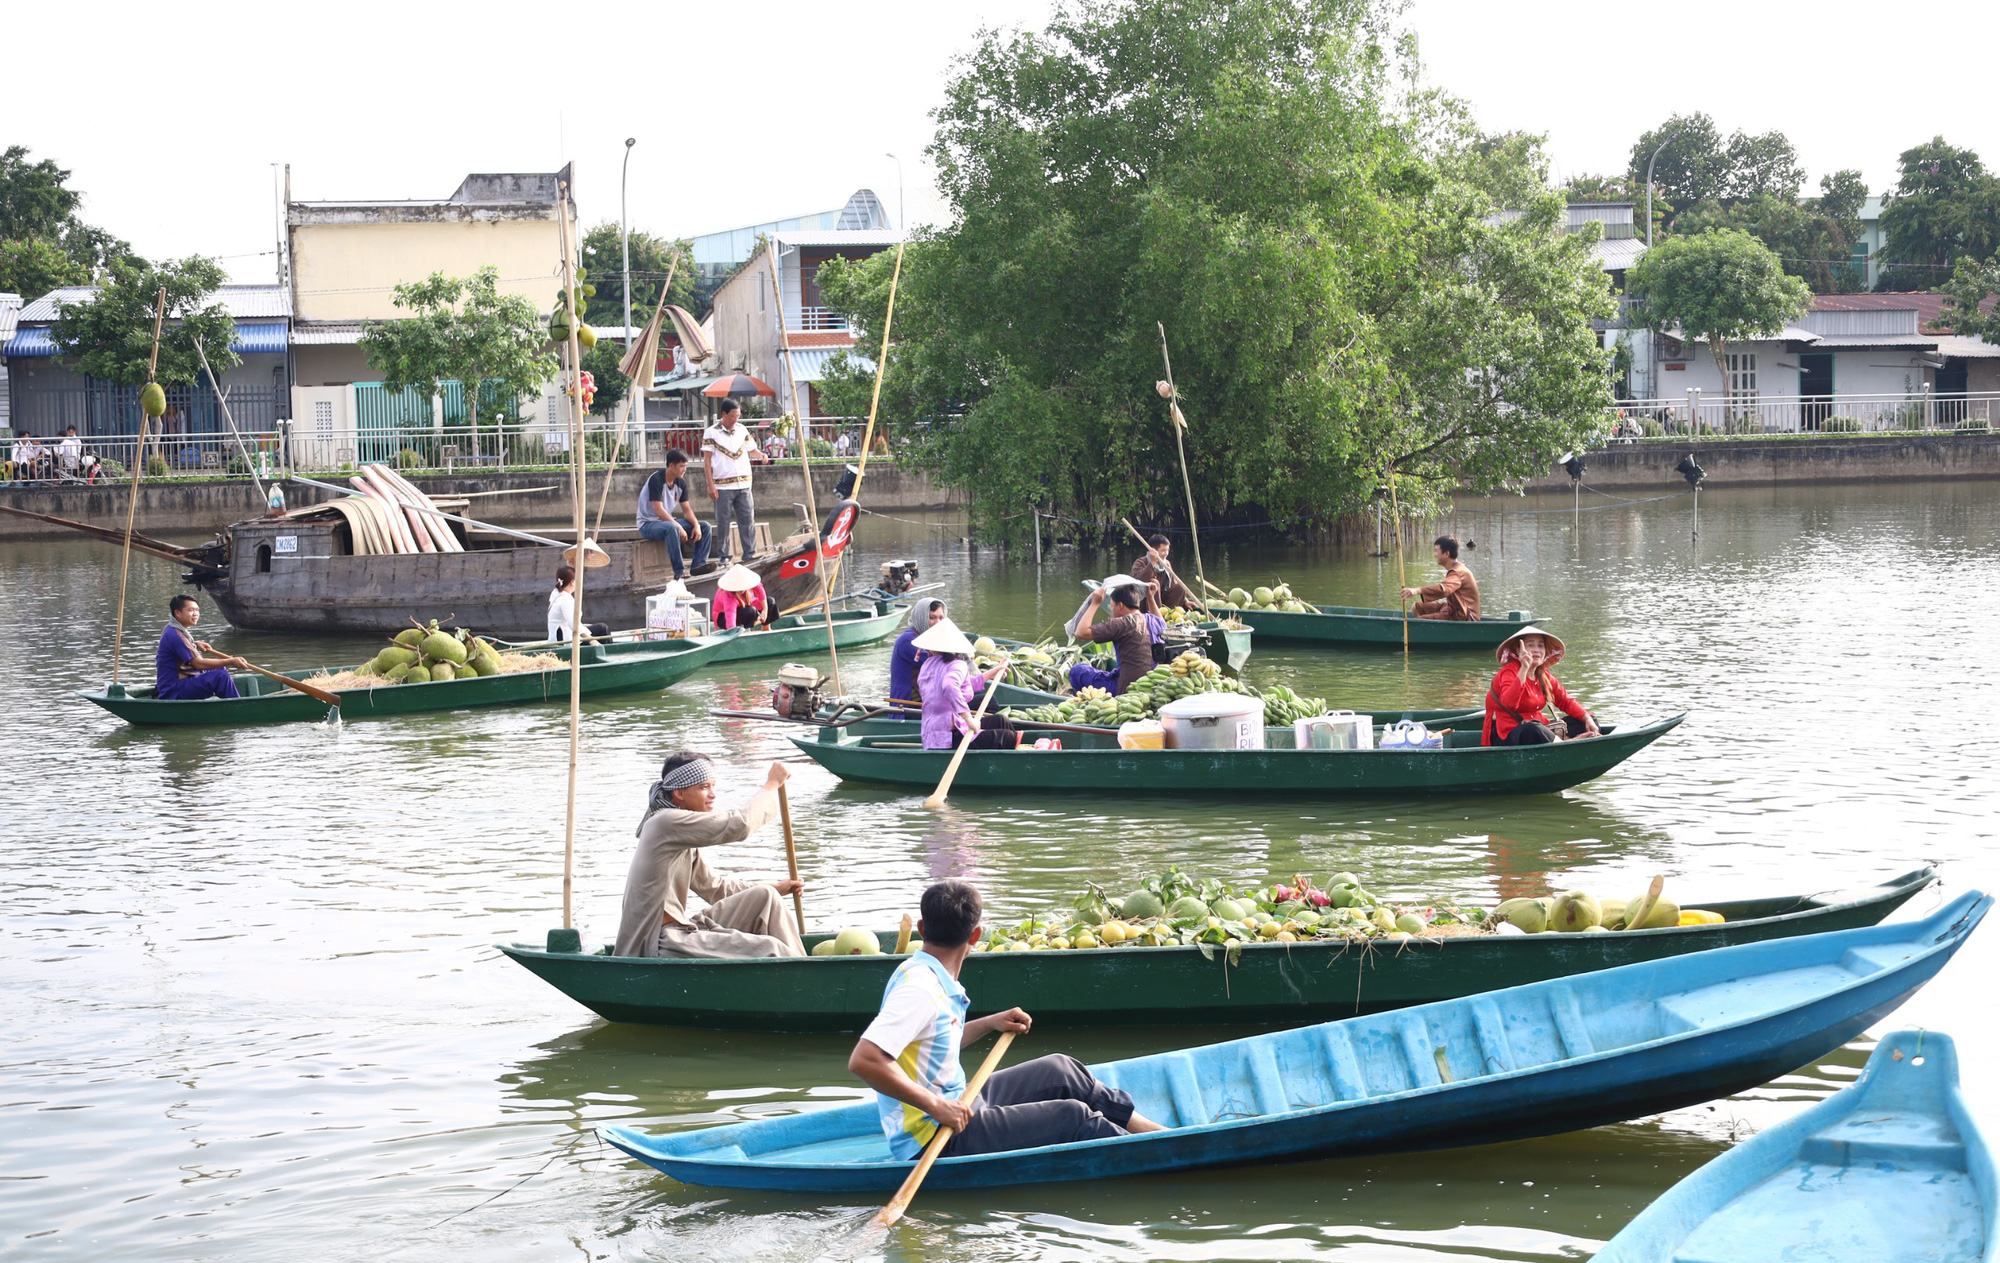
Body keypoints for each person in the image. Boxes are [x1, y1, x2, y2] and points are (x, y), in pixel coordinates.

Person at [849, 879, 1165, 1159]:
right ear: (976, 935)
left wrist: (990, 1023)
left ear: (922, 928)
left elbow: (930, 1042)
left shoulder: (927, 973)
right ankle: (1160, 1156)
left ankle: (1156, 1134)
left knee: (1061, 1070)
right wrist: (936, 1106)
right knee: (1073, 1117)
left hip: (957, 1103)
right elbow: (865, 1060)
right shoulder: (920, 990)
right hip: (935, 1135)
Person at [613, 753, 806, 959]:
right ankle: (802, 974)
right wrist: (772, 784)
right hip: (657, 944)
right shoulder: (665, 823)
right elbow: (740, 825)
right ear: (679, 793)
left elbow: (715, 887)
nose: (713, 795)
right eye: (704, 787)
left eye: (713, 786)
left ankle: (803, 968)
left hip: (680, 930)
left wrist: (776, 887)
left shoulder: (680, 835)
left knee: (766, 897)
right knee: (771, 949)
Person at [1482, 626, 1599, 746]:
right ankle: (1567, 743)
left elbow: (1566, 701)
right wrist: (1524, 669)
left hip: (1538, 727)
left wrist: (1587, 718)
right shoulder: (1509, 671)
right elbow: (1509, 703)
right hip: (1506, 734)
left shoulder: (1543, 674)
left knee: (1588, 720)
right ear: (1519, 650)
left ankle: (1563, 741)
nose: (1536, 650)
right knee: (1533, 728)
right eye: (1530, 645)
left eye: (1540, 645)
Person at [915, 619, 1018, 750]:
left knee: (1001, 721)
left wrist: (989, 674)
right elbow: (950, 685)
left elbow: (962, 684)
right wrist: (968, 718)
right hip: (948, 736)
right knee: (1007, 737)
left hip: (931, 733)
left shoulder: (927, 665)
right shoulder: (958, 665)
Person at [1068, 583, 1160, 696]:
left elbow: (1080, 632)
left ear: (1120, 605)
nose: (1111, 611)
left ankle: (1083, 699)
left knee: (1077, 671)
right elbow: (1161, 620)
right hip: (1152, 684)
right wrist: (1150, 598)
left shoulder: (1123, 623)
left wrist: (1095, 603)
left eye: (1111, 606)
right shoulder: (1155, 621)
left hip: (1125, 689)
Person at [155, 595, 247, 700]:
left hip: (178, 684)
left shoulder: (172, 628)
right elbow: (199, 664)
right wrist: (230, 661)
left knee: (220, 668)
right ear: (177, 613)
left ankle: (229, 702)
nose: (195, 614)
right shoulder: (176, 635)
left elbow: (181, 645)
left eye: (197, 610)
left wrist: (195, 644)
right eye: (191, 610)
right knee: (221, 676)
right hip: (174, 691)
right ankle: (237, 706)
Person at [637, 448, 710, 579]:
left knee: (705, 526)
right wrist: (679, 527)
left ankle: (698, 565)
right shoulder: (657, 480)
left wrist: (696, 525)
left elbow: (687, 510)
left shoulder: (680, 483)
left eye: (685, 466)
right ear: (671, 466)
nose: (684, 470)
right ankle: (679, 571)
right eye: (682, 466)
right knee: (672, 528)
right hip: (648, 524)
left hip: (666, 523)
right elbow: (658, 511)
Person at [703, 400, 760, 563]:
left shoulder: (742, 430)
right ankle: (724, 556)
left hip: (744, 484)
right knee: (723, 522)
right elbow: (707, 461)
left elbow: (752, 450)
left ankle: (749, 554)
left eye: (738, 416)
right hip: (722, 485)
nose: (736, 419)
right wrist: (710, 485)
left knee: (748, 520)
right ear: (724, 414)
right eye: (733, 416)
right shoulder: (711, 433)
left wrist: (761, 455)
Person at [1402, 535, 1480, 622]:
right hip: (1452, 609)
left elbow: (1443, 590)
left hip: (1464, 616)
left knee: (1418, 622)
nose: (1435, 555)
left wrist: (1417, 590)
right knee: (1417, 607)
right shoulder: (1456, 568)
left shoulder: (1457, 572)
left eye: (1436, 551)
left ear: (1447, 554)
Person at [889, 598, 947, 713]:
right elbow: (939, 662)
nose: (938, 623)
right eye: (932, 618)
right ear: (922, 618)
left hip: (928, 697)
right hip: (909, 705)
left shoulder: (931, 638)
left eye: (941, 618)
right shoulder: (908, 640)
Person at [1130, 534, 1198, 612]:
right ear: (1153, 551)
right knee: (1154, 583)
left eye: (1167, 550)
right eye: (1163, 550)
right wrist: (1152, 563)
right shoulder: (1140, 562)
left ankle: (1167, 614)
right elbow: (1137, 581)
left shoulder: (1166, 564)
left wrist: (1185, 601)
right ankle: (1156, 617)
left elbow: (1173, 584)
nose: (1166, 553)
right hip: (1144, 603)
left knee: (1180, 587)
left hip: (1162, 601)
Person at [547, 564, 610, 642]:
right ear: (573, 582)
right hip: (566, 641)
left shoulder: (556, 594)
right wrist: (592, 641)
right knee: (603, 628)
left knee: (596, 627)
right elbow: (574, 624)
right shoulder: (565, 599)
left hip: (561, 636)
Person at [711, 563, 773, 631]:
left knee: (769, 602)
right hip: (724, 617)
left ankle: (766, 628)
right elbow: (730, 616)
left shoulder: (749, 581)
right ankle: (743, 631)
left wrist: (765, 610)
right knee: (751, 611)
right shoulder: (728, 596)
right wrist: (732, 632)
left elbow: (760, 591)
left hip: (744, 606)